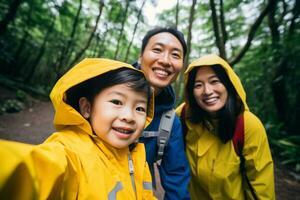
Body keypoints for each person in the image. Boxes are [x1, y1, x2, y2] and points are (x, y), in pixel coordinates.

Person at [0, 58, 156, 199]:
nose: (128, 116)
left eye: (140, 108)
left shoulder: (137, 156)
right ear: (87, 108)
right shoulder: (69, 152)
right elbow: (33, 168)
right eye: (116, 101)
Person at [176, 54, 275, 199]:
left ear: (229, 84)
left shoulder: (248, 125)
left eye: (215, 81)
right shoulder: (184, 115)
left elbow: (261, 185)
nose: (207, 91)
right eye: (198, 85)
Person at [134, 27, 190, 199]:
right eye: (157, 50)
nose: (165, 61)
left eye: (175, 55)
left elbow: (177, 177)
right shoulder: (104, 92)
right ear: (140, 56)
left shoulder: (170, 122)